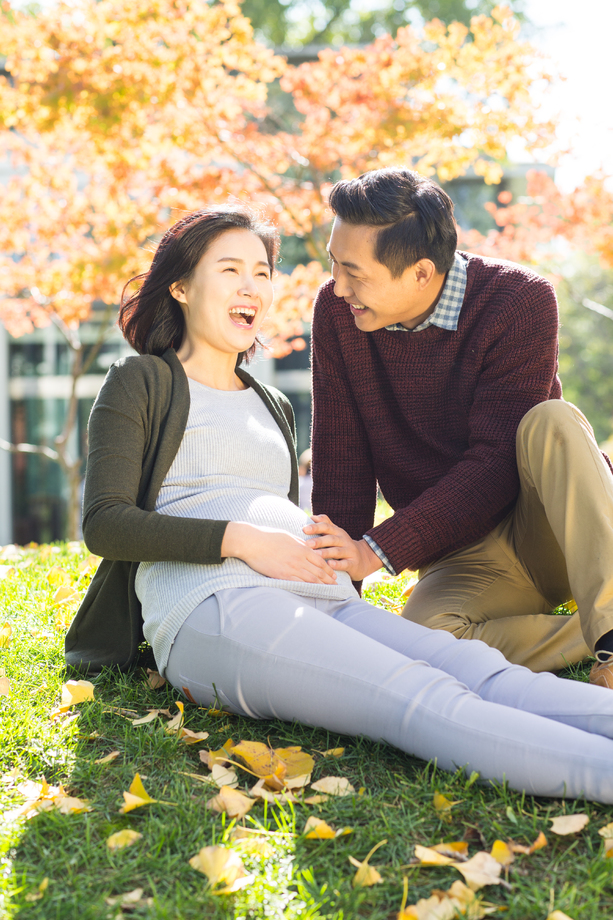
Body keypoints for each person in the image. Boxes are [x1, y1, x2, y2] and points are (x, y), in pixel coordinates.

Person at [66, 205, 613, 803]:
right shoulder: (142, 380)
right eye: (229, 270)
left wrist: (344, 570)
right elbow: (106, 524)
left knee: (482, 671)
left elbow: (344, 495)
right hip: (216, 603)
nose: (252, 286)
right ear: (180, 286)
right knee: (422, 695)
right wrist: (244, 541)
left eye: (262, 271)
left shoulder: (270, 402)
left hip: (323, 594)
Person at [307, 166, 613, 687]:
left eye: (355, 272)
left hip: (551, 528)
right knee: (426, 642)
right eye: (335, 265)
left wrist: (376, 551)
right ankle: (581, 635)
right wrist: (338, 601)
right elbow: (341, 463)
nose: (339, 287)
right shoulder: (339, 315)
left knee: (551, 421)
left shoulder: (520, 300)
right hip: (462, 557)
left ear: (422, 273)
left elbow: (495, 463)